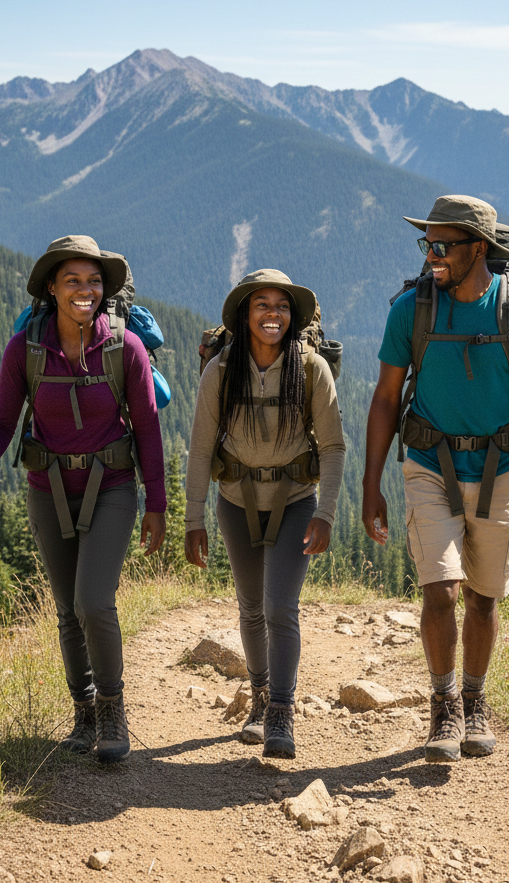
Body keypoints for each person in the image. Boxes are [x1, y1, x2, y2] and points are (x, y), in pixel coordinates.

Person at [362, 196, 509, 762]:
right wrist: (369, 482)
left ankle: (475, 701)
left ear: (480, 249)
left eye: (443, 245)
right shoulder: (411, 309)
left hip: (501, 470)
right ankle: (445, 704)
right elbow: (385, 398)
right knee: (441, 589)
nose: (432, 255)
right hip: (428, 464)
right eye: (427, 244)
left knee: (483, 596)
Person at [0, 235, 166, 763]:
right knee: (66, 610)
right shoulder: (26, 348)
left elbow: (147, 428)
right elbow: (3, 420)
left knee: (93, 601)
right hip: (47, 489)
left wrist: (157, 505)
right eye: (73, 280)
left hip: (112, 485)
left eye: (94, 281)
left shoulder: (126, 348)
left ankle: (114, 712)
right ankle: (84, 712)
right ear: (51, 287)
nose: (85, 290)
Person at [184, 270, 346, 759]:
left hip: (296, 500)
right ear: (245, 314)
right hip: (236, 500)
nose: (272, 313)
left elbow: (335, 446)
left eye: (281, 306)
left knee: (280, 608)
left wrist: (327, 513)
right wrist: (194, 519)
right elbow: (199, 448)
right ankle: (257, 697)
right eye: (262, 305)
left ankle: (280, 710)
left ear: (292, 315)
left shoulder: (311, 367)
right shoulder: (221, 371)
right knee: (251, 607)